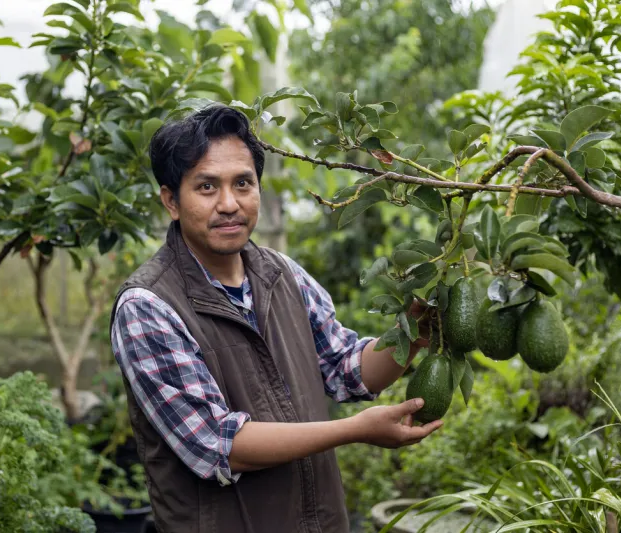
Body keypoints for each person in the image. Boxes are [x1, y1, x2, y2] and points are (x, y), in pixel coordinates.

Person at [108, 104, 443, 533]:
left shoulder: (281, 274)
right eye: (207, 187)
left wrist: (413, 330)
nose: (229, 204)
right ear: (172, 201)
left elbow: (348, 369)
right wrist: (354, 430)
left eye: (243, 183)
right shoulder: (147, 307)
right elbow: (219, 445)